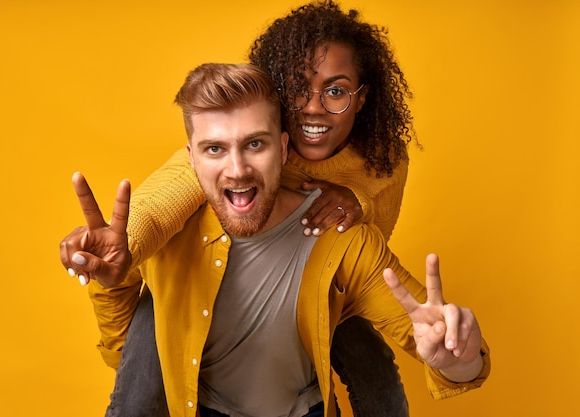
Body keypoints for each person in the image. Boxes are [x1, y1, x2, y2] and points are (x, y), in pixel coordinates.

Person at [60, 63, 490, 417]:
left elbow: (432, 337)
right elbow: (124, 358)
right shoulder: (169, 234)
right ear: (190, 158)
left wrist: (459, 358)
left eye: (255, 144)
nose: (237, 169)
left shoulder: (342, 237)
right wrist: (112, 280)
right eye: (214, 149)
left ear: (284, 149)